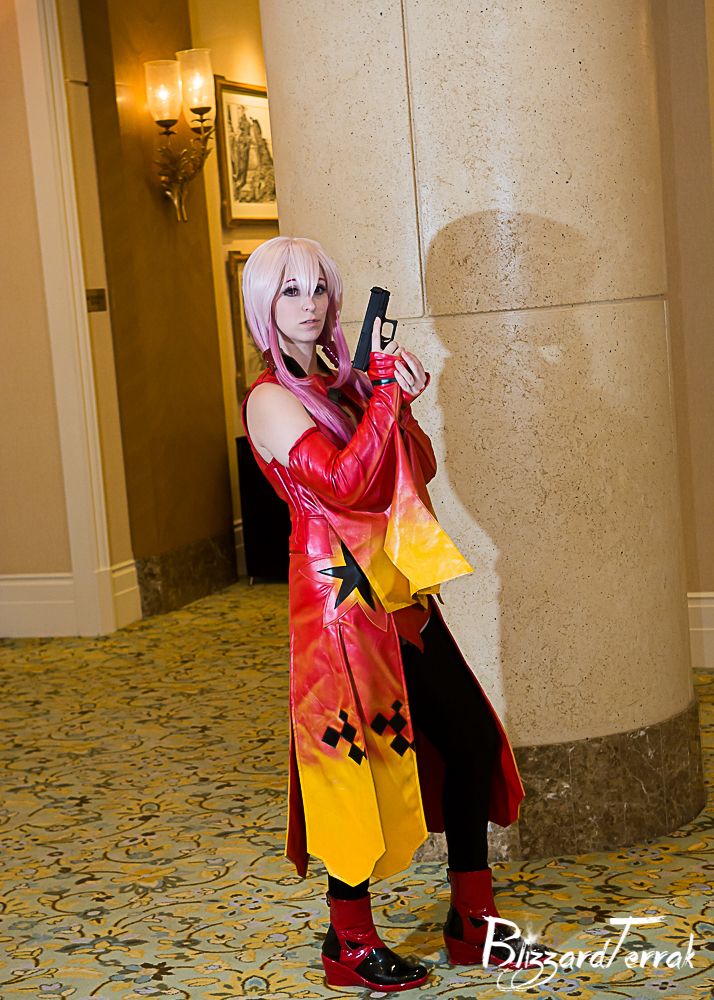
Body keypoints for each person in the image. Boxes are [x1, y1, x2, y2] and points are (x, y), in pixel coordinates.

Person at [242, 237, 546, 991]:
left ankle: (474, 922)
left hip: (396, 590)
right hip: (340, 608)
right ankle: (348, 940)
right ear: (262, 305)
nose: (309, 304)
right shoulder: (269, 399)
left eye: (318, 288)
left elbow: (414, 471)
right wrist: (381, 394)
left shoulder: (342, 386)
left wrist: (395, 401)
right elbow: (345, 486)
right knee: (353, 764)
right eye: (289, 291)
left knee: (471, 740)